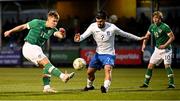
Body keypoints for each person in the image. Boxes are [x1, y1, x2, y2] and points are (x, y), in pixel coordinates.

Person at [74, 11, 146, 93]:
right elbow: (83, 36)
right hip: (98, 54)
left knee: (107, 70)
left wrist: (139, 38)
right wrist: (78, 39)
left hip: (109, 54)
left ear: (105, 20)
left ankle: (105, 87)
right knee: (89, 72)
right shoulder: (92, 26)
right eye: (97, 21)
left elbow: (125, 34)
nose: (99, 23)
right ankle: (89, 86)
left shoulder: (112, 27)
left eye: (101, 21)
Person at [4, 10, 75, 93]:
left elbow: (60, 36)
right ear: (48, 19)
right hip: (29, 47)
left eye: (57, 21)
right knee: (47, 63)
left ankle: (46, 88)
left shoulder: (53, 29)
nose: (55, 23)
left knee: (47, 67)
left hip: (37, 48)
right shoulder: (37, 22)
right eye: (54, 21)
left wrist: (63, 33)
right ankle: (63, 76)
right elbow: (22, 27)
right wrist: (10, 31)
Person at [140, 11, 175, 88]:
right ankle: (146, 83)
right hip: (157, 50)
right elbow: (147, 36)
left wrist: (165, 45)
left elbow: (172, 37)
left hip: (166, 50)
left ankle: (171, 84)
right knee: (150, 65)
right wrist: (143, 44)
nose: (155, 20)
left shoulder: (165, 27)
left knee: (167, 66)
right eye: (154, 18)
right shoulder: (152, 26)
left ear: (160, 19)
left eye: (157, 18)